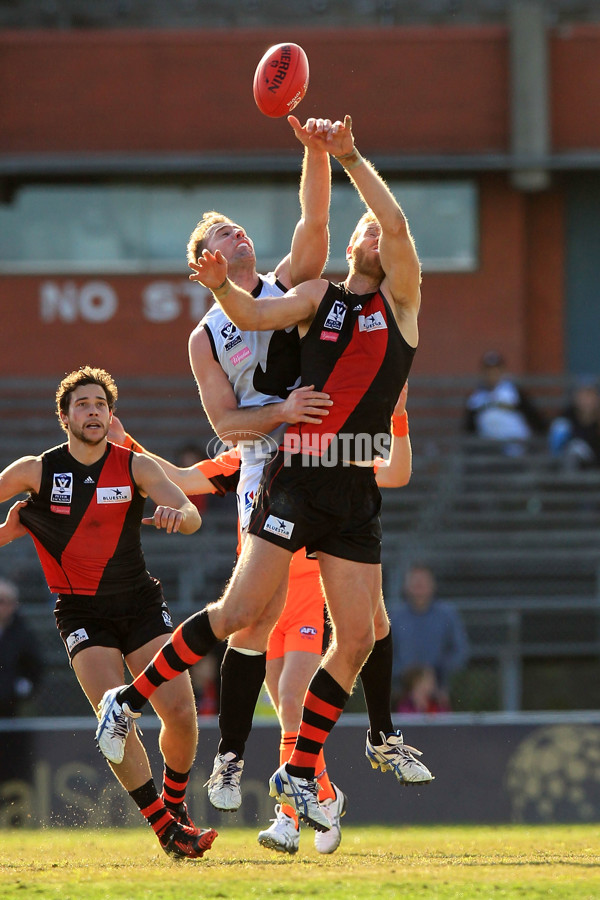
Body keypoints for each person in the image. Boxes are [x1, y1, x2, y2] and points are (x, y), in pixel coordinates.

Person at [95, 113, 433, 834]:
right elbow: (245, 322)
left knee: (361, 634)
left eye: (381, 230)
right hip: (286, 470)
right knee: (247, 618)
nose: (375, 232)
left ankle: (302, 771)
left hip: (352, 487)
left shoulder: (400, 300)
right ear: (348, 251)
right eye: (364, 230)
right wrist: (224, 298)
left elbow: (377, 218)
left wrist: (337, 154)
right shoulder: (313, 298)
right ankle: (131, 705)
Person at [109, 379, 412, 854]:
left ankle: (301, 808)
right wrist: (122, 443)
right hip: (262, 602)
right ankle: (317, 800)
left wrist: (398, 414)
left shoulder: (320, 455)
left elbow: (394, 472)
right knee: (283, 707)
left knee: (294, 697)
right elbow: (182, 479)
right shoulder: (243, 463)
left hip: (310, 591)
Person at [0, 367, 216, 860]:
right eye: (83, 404)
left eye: (100, 404)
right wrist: (7, 532)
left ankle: (177, 804)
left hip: (139, 603)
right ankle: (167, 830)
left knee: (181, 713)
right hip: (81, 613)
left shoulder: (136, 466)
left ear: (111, 414)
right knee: (113, 720)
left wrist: (175, 518)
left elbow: (193, 514)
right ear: (64, 417)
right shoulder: (35, 471)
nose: (93, 411)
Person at [390, 564, 469, 709]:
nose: (419, 586)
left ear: (433, 585)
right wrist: (409, 679)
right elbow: (385, 654)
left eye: (423, 582)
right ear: (406, 586)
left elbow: (460, 651)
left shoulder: (447, 615)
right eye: (415, 582)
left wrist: (435, 678)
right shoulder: (395, 617)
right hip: (402, 692)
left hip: (441, 691)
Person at [463, 350, 546, 456]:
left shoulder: (514, 391)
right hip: (489, 449)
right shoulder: (476, 397)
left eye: (496, 370)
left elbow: (533, 415)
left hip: (517, 446)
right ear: (483, 372)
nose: (492, 374)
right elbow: (469, 427)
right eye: (489, 370)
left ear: (502, 370)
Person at [0, 577, 43, 718]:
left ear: (13, 605)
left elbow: (34, 664)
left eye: (2, 602)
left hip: (13, 704)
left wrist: (25, 686)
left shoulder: (23, 633)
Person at [548, 376, 600, 470]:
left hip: (595, 463)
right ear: (576, 397)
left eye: (591, 395)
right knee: (575, 448)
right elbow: (557, 450)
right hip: (571, 464)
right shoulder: (566, 418)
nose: (587, 400)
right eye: (583, 395)